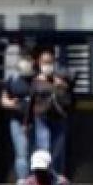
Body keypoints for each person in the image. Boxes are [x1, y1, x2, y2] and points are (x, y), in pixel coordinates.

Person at [30, 48, 73, 176]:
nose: (47, 65)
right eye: (44, 62)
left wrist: (61, 85)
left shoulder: (61, 79)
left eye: (50, 62)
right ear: (39, 63)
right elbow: (32, 100)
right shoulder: (35, 81)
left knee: (58, 150)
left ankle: (57, 176)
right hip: (42, 117)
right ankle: (43, 176)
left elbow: (68, 95)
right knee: (44, 146)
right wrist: (26, 122)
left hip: (58, 117)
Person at [2, 53, 36, 181]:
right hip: (17, 121)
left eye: (29, 60)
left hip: (36, 122)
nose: (26, 63)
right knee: (22, 152)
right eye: (24, 60)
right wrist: (12, 104)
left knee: (35, 153)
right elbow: (3, 100)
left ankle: (35, 180)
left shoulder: (36, 80)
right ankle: (23, 180)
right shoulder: (12, 80)